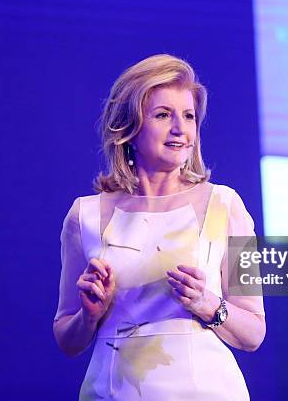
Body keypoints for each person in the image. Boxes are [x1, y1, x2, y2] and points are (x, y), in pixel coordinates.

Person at [53, 54, 265, 400]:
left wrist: (208, 303)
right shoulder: (84, 216)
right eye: (163, 115)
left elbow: (254, 331)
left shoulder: (225, 205)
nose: (180, 129)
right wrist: (89, 316)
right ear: (130, 127)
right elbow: (67, 337)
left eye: (189, 116)